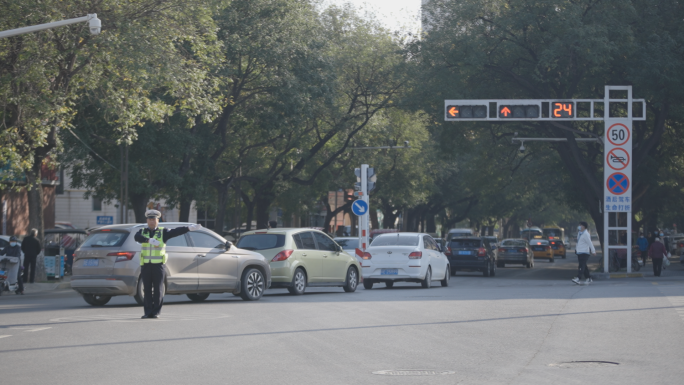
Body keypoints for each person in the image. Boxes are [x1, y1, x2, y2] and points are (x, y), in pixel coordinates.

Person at [133, 210, 202, 319]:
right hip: (146, 265)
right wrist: (148, 240)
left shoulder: (163, 232)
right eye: (150, 219)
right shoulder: (142, 231)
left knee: (158, 289)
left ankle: (156, 312)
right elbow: (136, 237)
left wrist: (188, 228)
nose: (152, 221)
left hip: (158, 265)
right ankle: (147, 312)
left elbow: (176, 232)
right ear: (147, 221)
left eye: (154, 219)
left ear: (158, 221)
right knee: (146, 289)